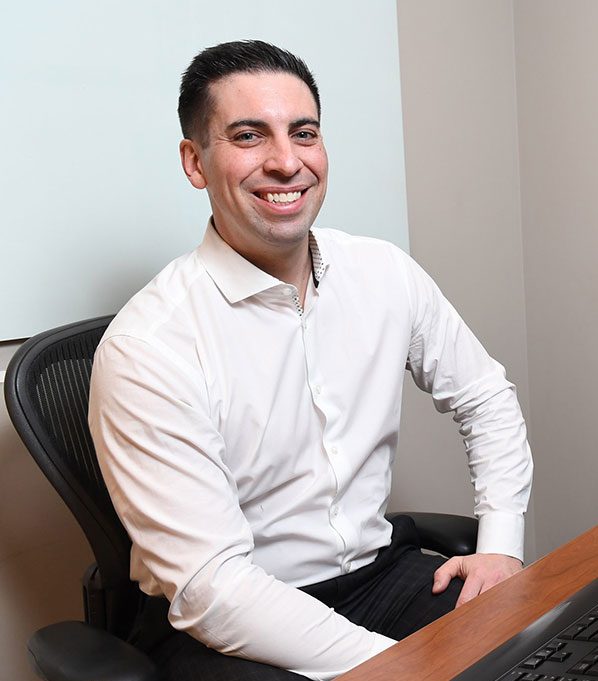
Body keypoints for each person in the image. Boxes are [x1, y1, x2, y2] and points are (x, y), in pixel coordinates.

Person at [88, 40, 533, 681]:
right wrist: (405, 668)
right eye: (249, 136)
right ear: (195, 161)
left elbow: (485, 397)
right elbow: (215, 588)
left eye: (304, 133)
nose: (286, 161)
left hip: (378, 577)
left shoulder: (383, 272)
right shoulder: (148, 347)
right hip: (230, 622)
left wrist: (501, 547)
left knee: (537, 647)